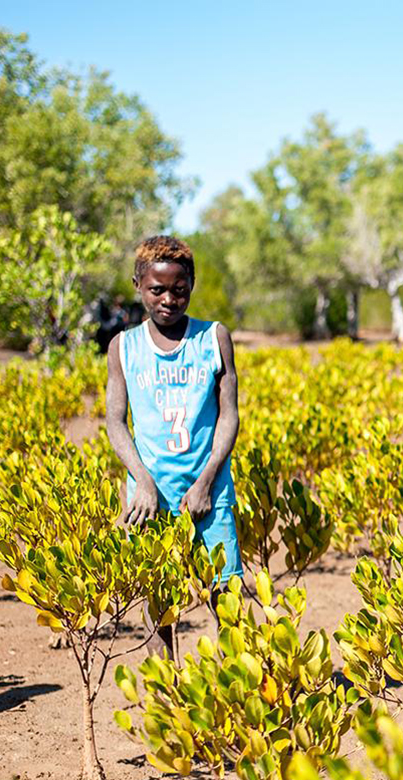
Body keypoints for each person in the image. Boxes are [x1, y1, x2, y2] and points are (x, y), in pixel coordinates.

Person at [106, 235, 243, 656]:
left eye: (179, 289)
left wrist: (205, 481)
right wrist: (142, 482)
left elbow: (229, 415)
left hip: (209, 491)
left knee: (225, 597)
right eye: (157, 289)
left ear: (192, 284)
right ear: (138, 286)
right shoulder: (123, 347)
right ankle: (166, 698)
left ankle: (234, 693)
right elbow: (115, 421)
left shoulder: (213, 338)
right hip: (150, 496)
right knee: (157, 601)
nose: (169, 299)